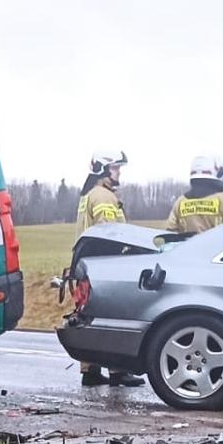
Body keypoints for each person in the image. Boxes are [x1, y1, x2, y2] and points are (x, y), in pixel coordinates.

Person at [72, 151, 143, 387]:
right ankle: (118, 371)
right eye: (115, 167)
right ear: (103, 169)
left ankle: (90, 370)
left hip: (87, 265)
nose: (118, 172)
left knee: (88, 317)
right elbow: (111, 232)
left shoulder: (89, 194)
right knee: (114, 316)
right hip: (105, 267)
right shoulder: (104, 197)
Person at [164, 155, 223, 234]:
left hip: (189, 246)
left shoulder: (181, 201)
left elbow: (170, 230)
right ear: (219, 172)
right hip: (220, 246)